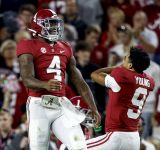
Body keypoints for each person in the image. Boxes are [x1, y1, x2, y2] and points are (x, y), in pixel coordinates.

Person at [17, 9, 100, 150]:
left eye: (56, 24)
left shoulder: (65, 47)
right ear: (38, 26)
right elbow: (26, 79)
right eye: (50, 24)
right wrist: (45, 84)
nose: (55, 28)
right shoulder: (28, 45)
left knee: (79, 146)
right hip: (39, 104)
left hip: (61, 105)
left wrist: (93, 107)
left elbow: (79, 81)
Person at [86, 47, 155, 150]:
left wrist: (118, 67)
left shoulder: (122, 74)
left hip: (117, 136)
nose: (123, 59)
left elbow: (94, 74)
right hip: (135, 139)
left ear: (130, 65)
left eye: (126, 58)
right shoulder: (150, 81)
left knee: (75, 147)